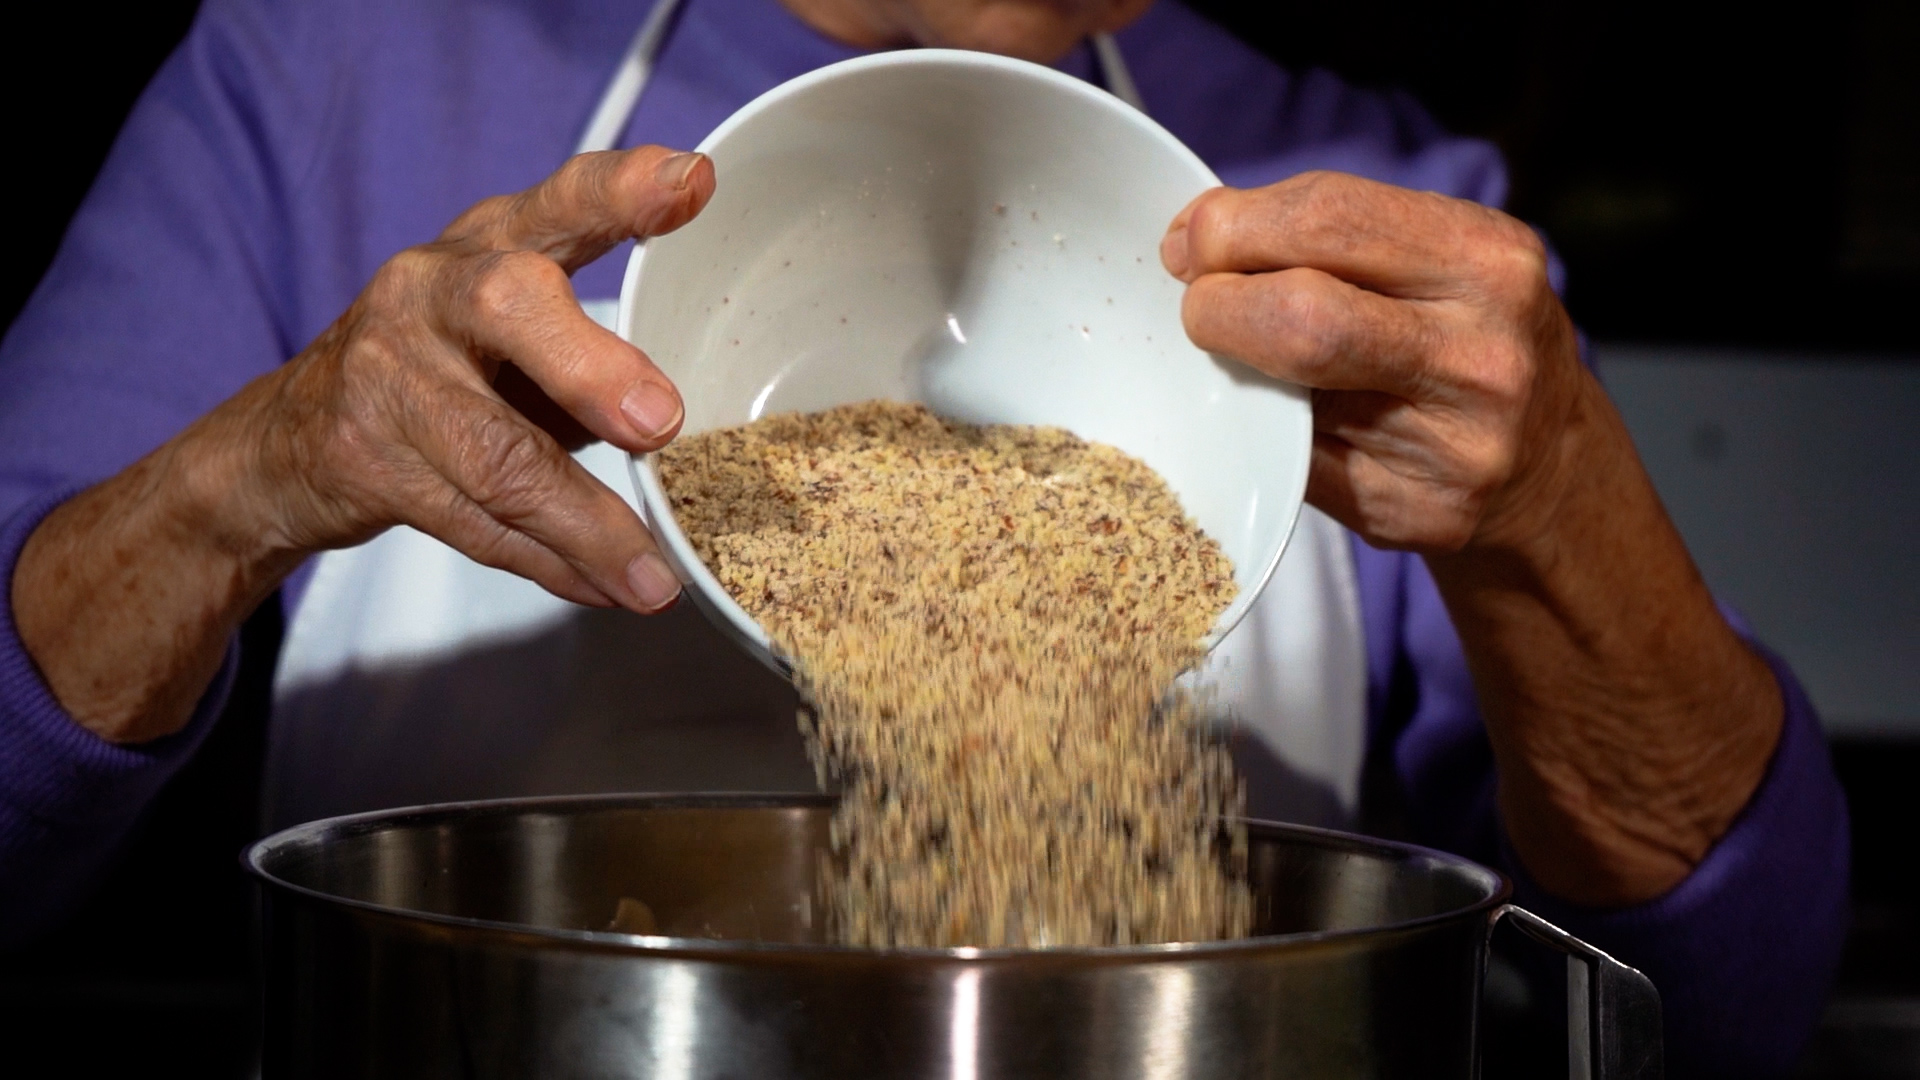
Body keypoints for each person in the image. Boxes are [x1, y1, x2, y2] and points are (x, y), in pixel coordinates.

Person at [0, 0, 1846, 1072]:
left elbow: (1724, 1020)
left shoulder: (1377, 206)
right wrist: (253, 471)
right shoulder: (333, 74)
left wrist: (1557, 504)